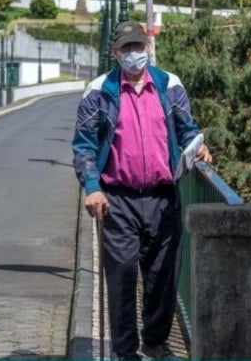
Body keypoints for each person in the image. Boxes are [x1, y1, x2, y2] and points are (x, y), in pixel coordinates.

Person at [72, 21, 211, 360]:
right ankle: (124, 351)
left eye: (139, 46)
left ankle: (155, 342)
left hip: (164, 197)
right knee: (120, 278)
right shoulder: (98, 91)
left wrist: (198, 148)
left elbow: (186, 128)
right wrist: (92, 187)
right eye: (127, 48)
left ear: (147, 47)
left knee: (163, 277)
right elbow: (84, 146)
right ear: (116, 52)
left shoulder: (169, 84)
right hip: (118, 199)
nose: (134, 54)